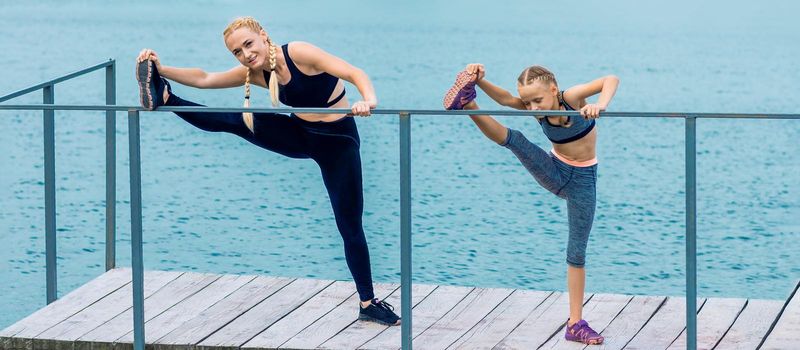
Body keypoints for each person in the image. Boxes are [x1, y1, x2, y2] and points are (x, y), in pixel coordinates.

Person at [135, 16, 399, 326]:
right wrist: (161, 70)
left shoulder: (299, 53)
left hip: (339, 143)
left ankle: (367, 303)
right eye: (237, 51)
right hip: (300, 134)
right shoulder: (256, 73)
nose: (245, 54)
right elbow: (206, 78)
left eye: (248, 44)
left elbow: (354, 73)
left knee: (349, 225)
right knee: (236, 121)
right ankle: (165, 96)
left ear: (263, 36)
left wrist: (368, 100)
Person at [443, 63, 619, 345]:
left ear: (553, 89)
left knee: (577, 254)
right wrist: (479, 81)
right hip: (555, 169)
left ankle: (575, 324)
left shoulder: (571, 98)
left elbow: (610, 79)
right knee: (517, 140)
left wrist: (600, 104)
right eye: (528, 102)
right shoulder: (533, 109)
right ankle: (468, 102)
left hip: (583, 183)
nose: (533, 108)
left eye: (537, 100)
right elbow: (504, 99)